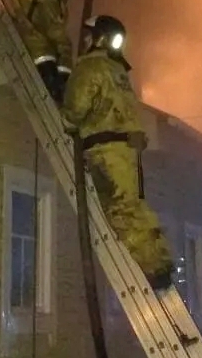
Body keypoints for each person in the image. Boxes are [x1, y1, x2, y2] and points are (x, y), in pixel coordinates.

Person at [60, 14, 174, 290]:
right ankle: (160, 261)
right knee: (135, 207)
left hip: (105, 151)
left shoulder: (89, 68)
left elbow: (74, 111)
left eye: (88, 36)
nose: (85, 40)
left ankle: (152, 268)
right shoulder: (118, 71)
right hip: (125, 151)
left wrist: (67, 117)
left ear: (98, 37)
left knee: (120, 211)